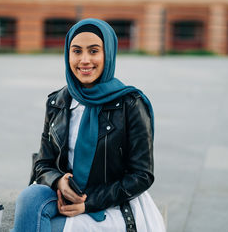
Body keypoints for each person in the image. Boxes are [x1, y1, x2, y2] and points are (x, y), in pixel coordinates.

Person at [11, 18, 166, 232]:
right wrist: (59, 181)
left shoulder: (131, 104)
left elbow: (141, 175)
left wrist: (89, 202)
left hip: (112, 201)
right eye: (76, 51)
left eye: (93, 51)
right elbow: (43, 163)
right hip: (63, 193)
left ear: (108, 54)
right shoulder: (58, 102)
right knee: (29, 198)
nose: (84, 60)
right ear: (68, 55)